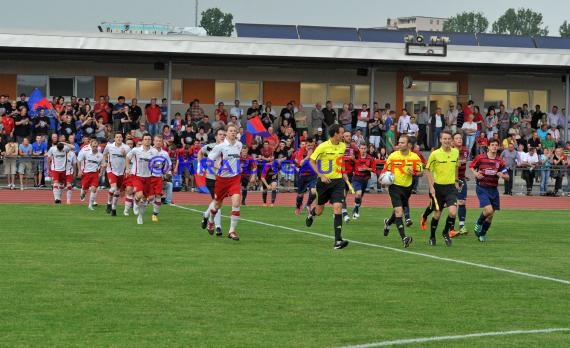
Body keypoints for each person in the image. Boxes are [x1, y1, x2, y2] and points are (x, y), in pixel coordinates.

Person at [305, 124, 350, 250]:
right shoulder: (323, 146)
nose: (344, 135)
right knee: (319, 211)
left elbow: (340, 161)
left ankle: (338, 241)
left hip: (338, 182)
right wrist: (321, 175)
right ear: (335, 134)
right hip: (323, 183)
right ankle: (311, 214)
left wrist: (344, 172)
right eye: (342, 133)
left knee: (338, 207)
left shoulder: (342, 146)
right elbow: (312, 161)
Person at [382, 134, 423, 248]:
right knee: (399, 212)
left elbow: (421, 172)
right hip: (394, 187)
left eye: (402, 143)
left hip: (407, 188)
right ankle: (404, 238)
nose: (399, 144)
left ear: (409, 145)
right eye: (399, 142)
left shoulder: (415, 157)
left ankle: (388, 222)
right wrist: (383, 179)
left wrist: (413, 173)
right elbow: (385, 171)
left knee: (397, 211)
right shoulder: (393, 156)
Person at [204, 124, 243, 241]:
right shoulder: (220, 147)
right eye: (231, 131)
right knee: (217, 205)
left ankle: (232, 231)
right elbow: (208, 161)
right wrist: (219, 167)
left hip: (235, 178)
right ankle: (210, 221)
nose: (233, 133)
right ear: (226, 133)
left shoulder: (239, 145)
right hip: (221, 180)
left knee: (236, 203)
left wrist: (238, 167)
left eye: (235, 131)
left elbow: (236, 159)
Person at [422, 131, 459, 247]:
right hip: (438, 188)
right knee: (437, 215)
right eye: (445, 139)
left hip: (451, 188)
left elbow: (456, 166)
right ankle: (432, 236)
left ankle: (445, 232)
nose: (447, 141)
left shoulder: (456, 152)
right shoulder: (435, 154)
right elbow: (427, 169)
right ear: (440, 140)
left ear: (451, 140)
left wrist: (456, 181)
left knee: (453, 213)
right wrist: (431, 186)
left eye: (449, 139)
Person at [469, 138, 509, 242]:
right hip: (482, 187)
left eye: (496, 145)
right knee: (489, 210)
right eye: (492, 145)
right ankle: (478, 223)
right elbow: (471, 166)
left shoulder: (500, 161)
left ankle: (482, 234)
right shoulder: (480, 157)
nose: (494, 147)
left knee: (491, 216)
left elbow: (507, 177)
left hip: (493, 189)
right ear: (488, 146)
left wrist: (503, 175)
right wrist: (476, 174)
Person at [125, 134, 159, 224]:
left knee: (148, 198)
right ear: (142, 141)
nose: (147, 140)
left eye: (149, 139)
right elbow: (127, 158)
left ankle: (140, 217)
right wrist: (128, 168)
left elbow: (155, 164)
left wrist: (157, 165)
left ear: (151, 141)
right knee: (139, 195)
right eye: (145, 139)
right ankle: (135, 201)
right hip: (137, 176)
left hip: (148, 177)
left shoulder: (154, 151)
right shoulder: (136, 150)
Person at [199, 128, 227, 236]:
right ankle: (218, 227)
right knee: (217, 202)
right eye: (220, 134)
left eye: (224, 134)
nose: (222, 136)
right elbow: (200, 152)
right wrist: (200, 165)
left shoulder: (228, 148)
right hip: (211, 178)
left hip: (223, 178)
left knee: (217, 202)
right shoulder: (210, 147)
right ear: (216, 136)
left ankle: (206, 215)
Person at [102, 133, 130, 216]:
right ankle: (108, 203)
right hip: (111, 170)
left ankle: (114, 208)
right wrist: (104, 162)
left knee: (117, 191)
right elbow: (104, 154)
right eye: (117, 137)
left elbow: (129, 159)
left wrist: (124, 154)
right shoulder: (109, 146)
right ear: (114, 138)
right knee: (113, 188)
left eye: (120, 137)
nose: (118, 138)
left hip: (121, 172)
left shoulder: (126, 148)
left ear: (122, 138)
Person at [77, 137, 104, 211]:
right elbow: (79, 161)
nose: (94, 148)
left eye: (96, 146)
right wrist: (79, 170)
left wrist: (100, 172)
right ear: (91, 146)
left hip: (95, 174)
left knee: (94, 189)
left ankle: (90, 205)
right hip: (86, 173)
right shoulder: (86, 152)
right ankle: (82, 194)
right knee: (85, 189)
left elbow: (102, 164)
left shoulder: (100, 155)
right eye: (93, 146)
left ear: (98, 146)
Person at [150, 135, 172, 222]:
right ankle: (137, 207)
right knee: (150, 197)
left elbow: (169, 164)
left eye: (160, 141)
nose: (158, 142)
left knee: (158, 195)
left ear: (162, 142)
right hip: (148, 176)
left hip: (159, 177)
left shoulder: (165, 153)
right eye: (156, 141)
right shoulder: (149, 151)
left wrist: (166, 172)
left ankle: (154, 214)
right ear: (153, 141)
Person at [294, 137, 317, 215]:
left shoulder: (316, 150)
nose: (310, 147)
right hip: (303, 175)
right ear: (306, 145)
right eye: (308, 145)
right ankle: (298, 207)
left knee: (314, 191)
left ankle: (308, 204)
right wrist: (308, 156)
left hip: (313, 175)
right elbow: (301, 163)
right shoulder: (301, 150)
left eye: (311, 146)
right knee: (300, 195)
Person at [351, 144, 374, 220]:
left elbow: (374, 169)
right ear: (359, 149)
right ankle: (356, 210)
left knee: (360, 197)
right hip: (356, 178)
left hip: (365, 179)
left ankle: (355, 208)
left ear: (366, 149)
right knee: (358, 193)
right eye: (361, 148)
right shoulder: (356, 157)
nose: (363, 150)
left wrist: (367, 169)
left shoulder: (370, 158)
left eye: (364, 148)